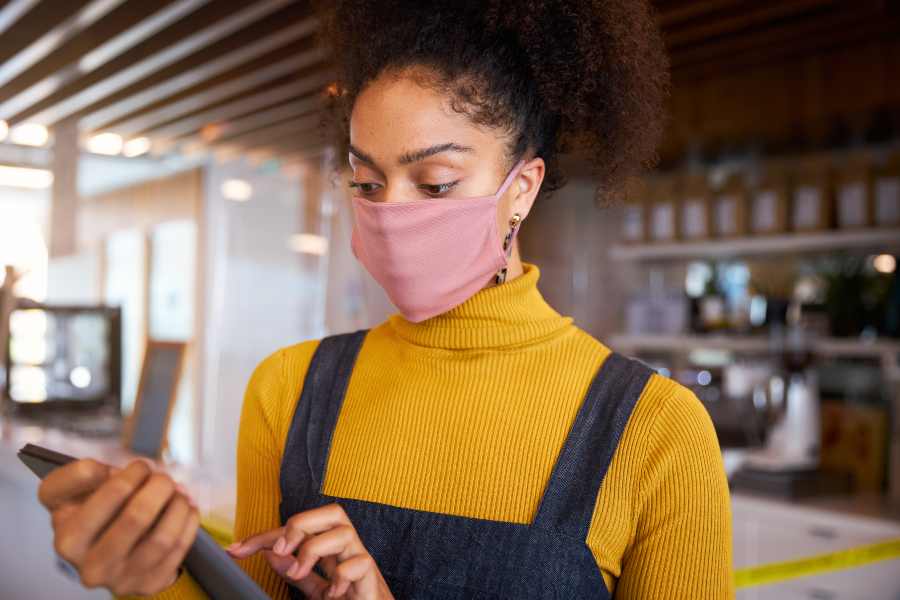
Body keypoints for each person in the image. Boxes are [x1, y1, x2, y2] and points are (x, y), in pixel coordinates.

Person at [37, 1, 734, 598]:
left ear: (521, 187)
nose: (393, 214)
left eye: (434, 184)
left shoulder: (656, 431)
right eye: (368, 184)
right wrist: (152, 574)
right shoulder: (289, 391)